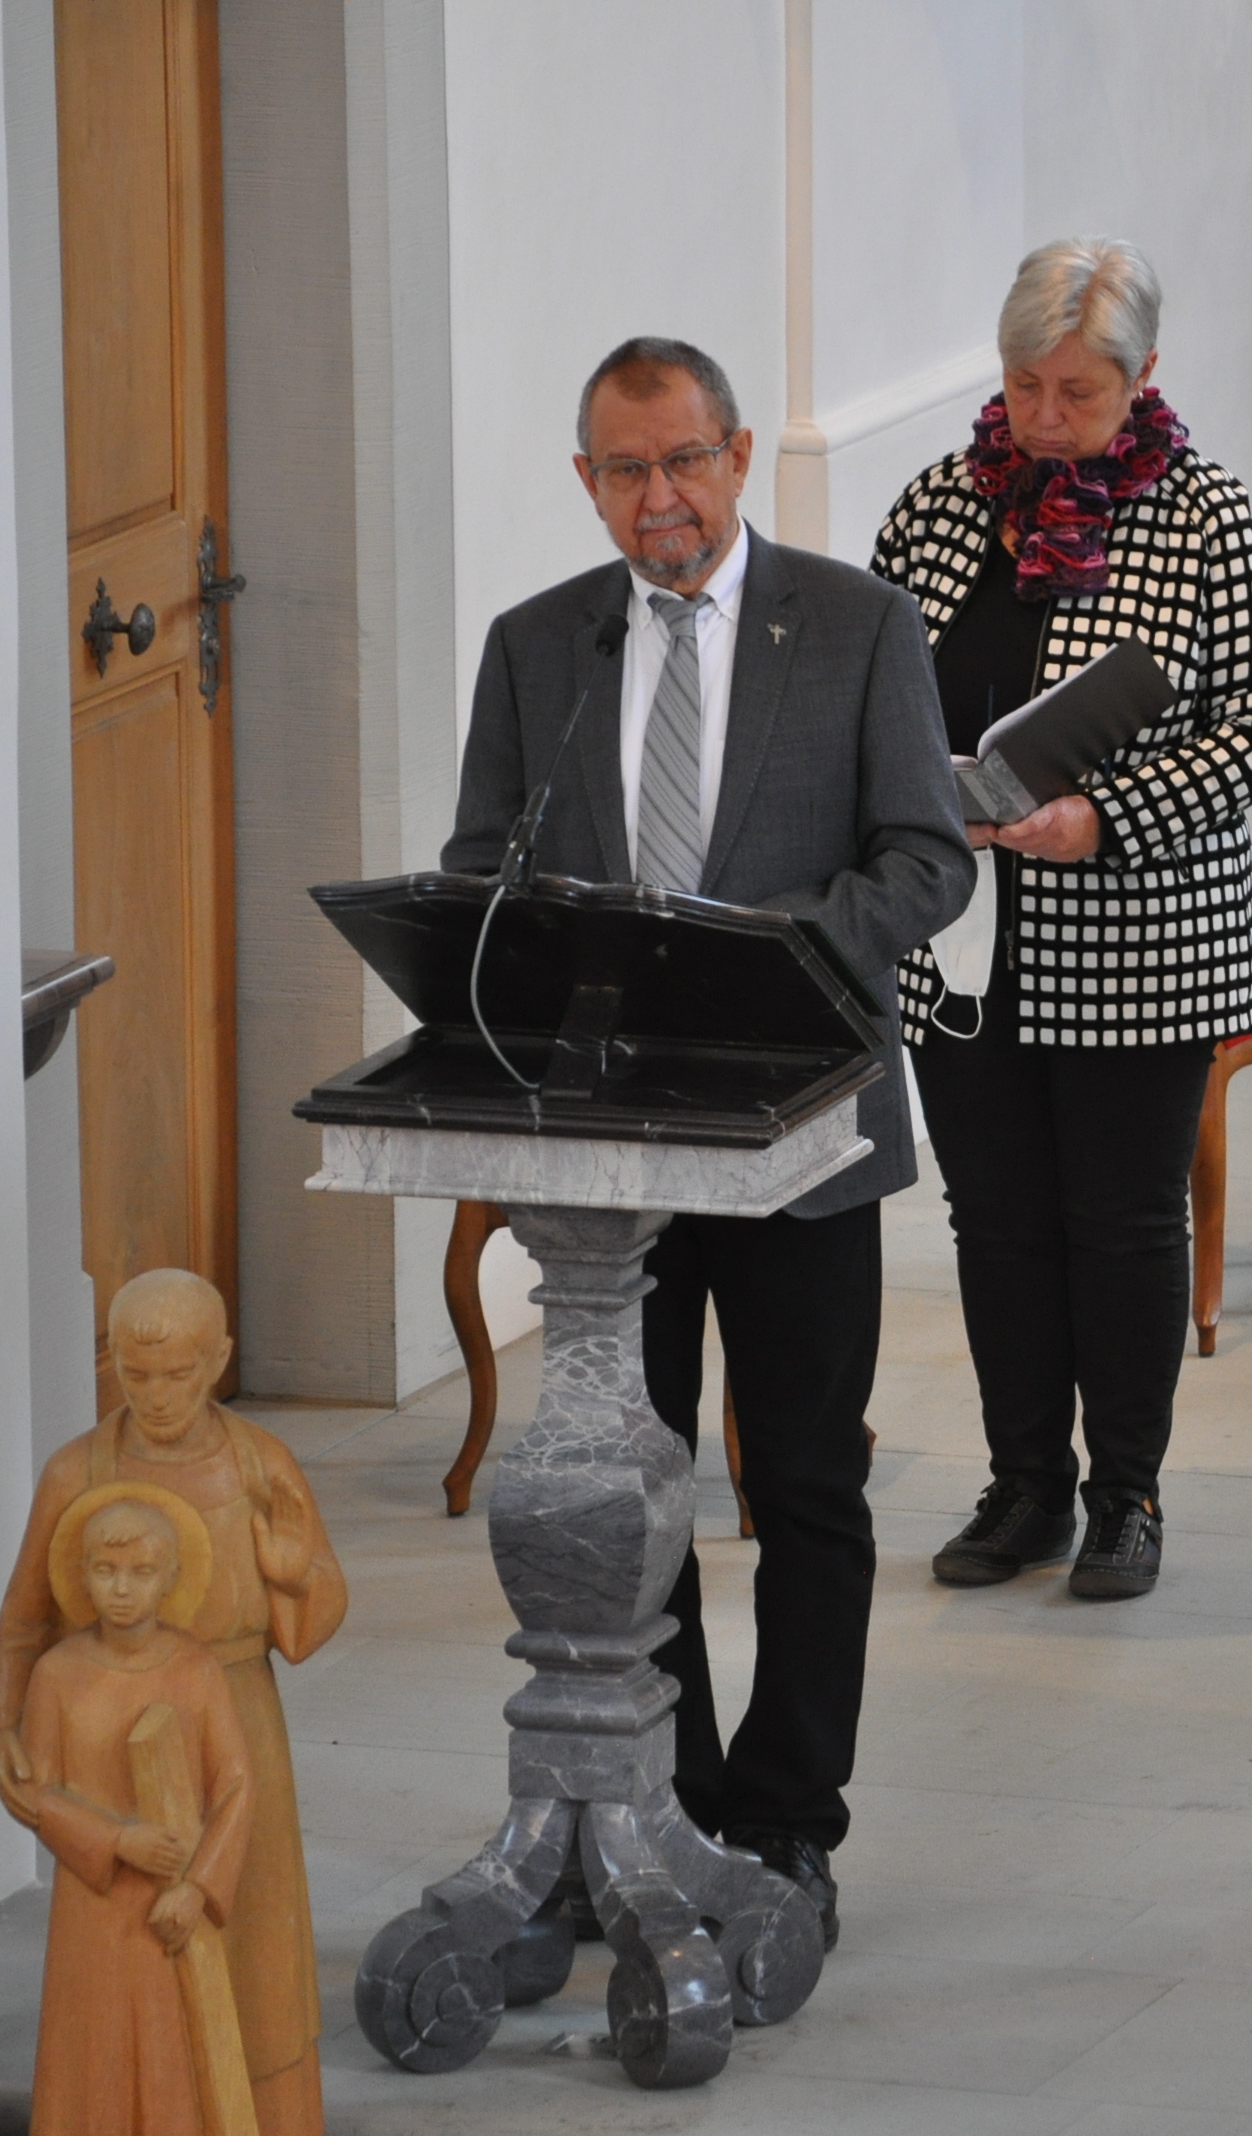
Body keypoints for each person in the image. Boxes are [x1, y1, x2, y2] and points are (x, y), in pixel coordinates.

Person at [442, 336, 974, 1944]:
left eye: (683, 462)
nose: (658, 499)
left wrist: (780, 957)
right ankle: (644, 1796)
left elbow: (925, 861)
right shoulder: (544, 648)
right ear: (586, 480)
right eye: (624, 470)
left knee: (805, 1481)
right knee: (627, 1472)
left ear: (739, 457)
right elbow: (485, 864)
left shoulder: (861, 628)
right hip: (615, 1151)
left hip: (804, 1121)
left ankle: (793, 1816)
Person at [868, 238, 1252, 1603]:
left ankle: (1126, 1493)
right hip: (963, 938)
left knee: (1118, 1224)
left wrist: (1101, 815)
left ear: (1144, 378)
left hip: (1137, 936)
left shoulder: (1205, 517)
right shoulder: (942, 504)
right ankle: (1023, 1486)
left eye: (1080, 392)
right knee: (995, 1220)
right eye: (1024, 386)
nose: (1047, 420)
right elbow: (868, 693)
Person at [0, 1270, 346, 2135]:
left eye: (180, 1373)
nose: (156, 1396)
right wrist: (5, 1722)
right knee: (129, 1955)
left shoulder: (260, 1462)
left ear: (220, 1358)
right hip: (109, 1737)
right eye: (136, 1375)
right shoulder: (79, 1469)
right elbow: (25, 1617)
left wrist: (294, 1571)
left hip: (235, 1713)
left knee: (254, 1953)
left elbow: (314, 1615)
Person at [10, 1488, 255, 2136]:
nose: (121, 1589)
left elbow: (235, 1786)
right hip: (92, 1911)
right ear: (82, 1574)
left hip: (168, 1908)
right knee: (92, 2046)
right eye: (105, 1570)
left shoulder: (196, 1671)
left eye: (141, 1572)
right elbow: (36, 1792)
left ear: (172, 1577)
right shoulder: (57, 1675)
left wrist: (198, 1891)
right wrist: (117, 1840)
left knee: (168, 2049)